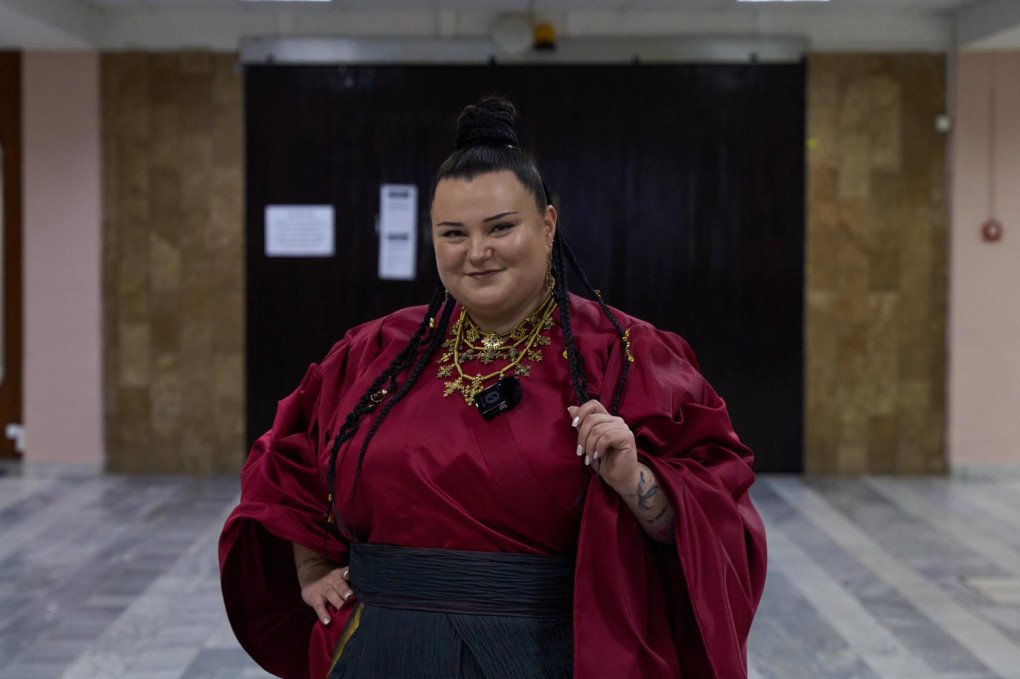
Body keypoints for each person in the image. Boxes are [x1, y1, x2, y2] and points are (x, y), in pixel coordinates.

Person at [219, 96, 766, 679]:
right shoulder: (376, 352)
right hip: (378, 649)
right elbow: (289, 460)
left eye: (500, 228)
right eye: (453, 233)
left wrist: (636, 480)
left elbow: (717, 514)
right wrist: (309, 565)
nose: (476, 253)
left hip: (547, 653)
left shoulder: (626, 355)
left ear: (548, 224)